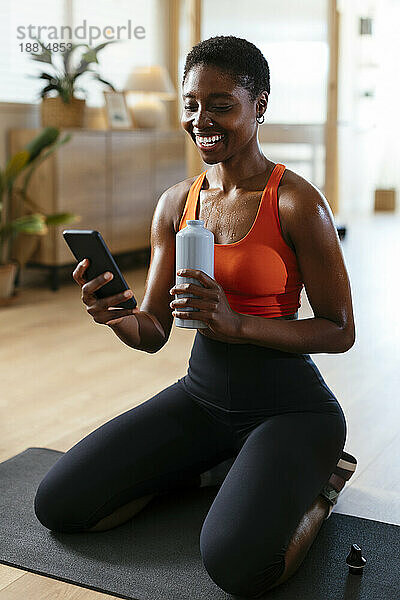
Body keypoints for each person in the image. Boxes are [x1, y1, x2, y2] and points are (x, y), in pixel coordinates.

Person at [34, 36, 357, 597]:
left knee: (238, 566)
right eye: (190, 104)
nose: (200, 119)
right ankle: (209, 467)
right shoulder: (175, 203)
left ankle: (324, 485)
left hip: (292, 411)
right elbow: (154, 331)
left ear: (259, 105)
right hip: (202, 399)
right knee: (59, 503)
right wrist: (115, 314)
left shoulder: (297, 203)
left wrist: (238, 325)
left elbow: (340, 330)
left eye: (221, 104)